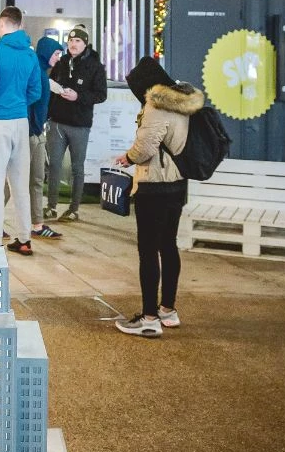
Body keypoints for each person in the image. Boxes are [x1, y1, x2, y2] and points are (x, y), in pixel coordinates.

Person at [112, 56, 204, 337]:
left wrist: (128, 157)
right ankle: (168, 310)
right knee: (168, 245)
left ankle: (149, 318)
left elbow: (146, 146)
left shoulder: (156, 105)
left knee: (148, 250)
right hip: (176, 183)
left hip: (154, 184)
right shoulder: (180, 101)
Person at [0, 5, 43, 256]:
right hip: (21, 122)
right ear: (20, 25)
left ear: (2, 25)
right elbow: (36, 91)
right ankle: (24, 239)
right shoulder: (31, 56)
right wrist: (18, 103)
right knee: (20, 183)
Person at [45, 25, 107, 222]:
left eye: (78, 41)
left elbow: (101, 95)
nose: (73, 44)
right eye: (71, 41)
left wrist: (78, 96)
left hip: (79, 124)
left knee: (77, 168)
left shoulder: (95, 66)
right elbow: (51, 86)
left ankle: (73, 209)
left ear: (85, 44)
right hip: (57, 122)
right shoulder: (61, 63)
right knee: (53, 165)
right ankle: (51, 206)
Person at [29, 35, 65, 240]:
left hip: (34, 131)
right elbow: (32, 101)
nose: (58, 58)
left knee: (33, 179)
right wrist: (34, 128)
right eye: (56, 53)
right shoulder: (37, 73)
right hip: (31, 133)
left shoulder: (41, 72)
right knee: (23, 181)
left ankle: (37, 224)